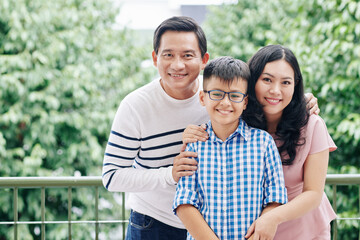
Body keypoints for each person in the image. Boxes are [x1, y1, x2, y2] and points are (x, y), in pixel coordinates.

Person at [183, 45, 336, 240]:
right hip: (252, 230)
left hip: (304, 226)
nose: (275, 90)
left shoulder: (312, 124)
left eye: (286, 82)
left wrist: (272, 218)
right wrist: (189, 134)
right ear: (252, 81)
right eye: (267, 80)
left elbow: (314, 193)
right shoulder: (235, 117)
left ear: (295, 85)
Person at [102, 16, 210, 240]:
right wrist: (169, 174)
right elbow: (111, 177)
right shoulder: (135, 106)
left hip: (212, 223)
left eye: (187, 55)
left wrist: (303, 100)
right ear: (154, 58)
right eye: (168, 55)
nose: (177, 65)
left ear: (204, 60)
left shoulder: (218, 98)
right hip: (154, 224)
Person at [173, 56, 288, 240]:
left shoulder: (264, 143)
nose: (225, 103)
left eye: (234, 95)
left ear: (245, 101)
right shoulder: (194, 144)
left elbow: (275, 197)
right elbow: (184, 203)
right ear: (203, 98)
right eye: (217, 94)